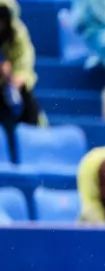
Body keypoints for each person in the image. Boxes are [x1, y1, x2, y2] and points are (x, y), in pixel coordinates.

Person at [0, 0, 44, 157]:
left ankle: (35, 148)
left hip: (8, 89)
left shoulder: (17, 33)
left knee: (27, 100)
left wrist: (12, 78)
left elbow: (24, 67)